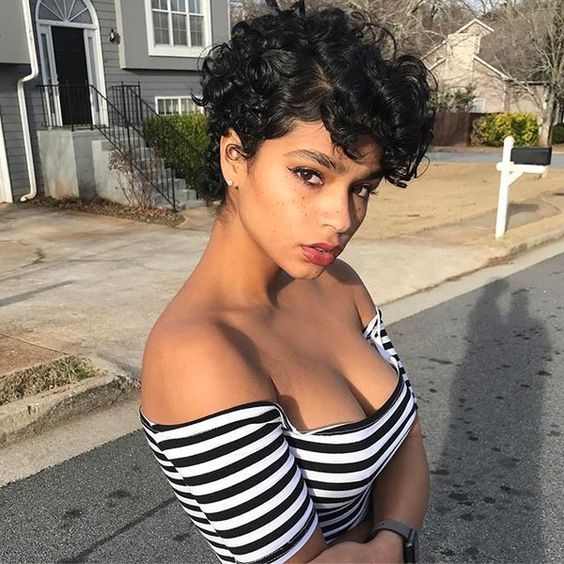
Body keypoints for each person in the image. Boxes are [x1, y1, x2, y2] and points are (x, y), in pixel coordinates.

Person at [139, 1, 434, 562]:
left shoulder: (341, 285)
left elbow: (408, 440)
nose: (341, 219)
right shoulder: (197, 355)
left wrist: (392, 538)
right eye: (309, 174)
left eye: (361, 188)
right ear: (235, 157)